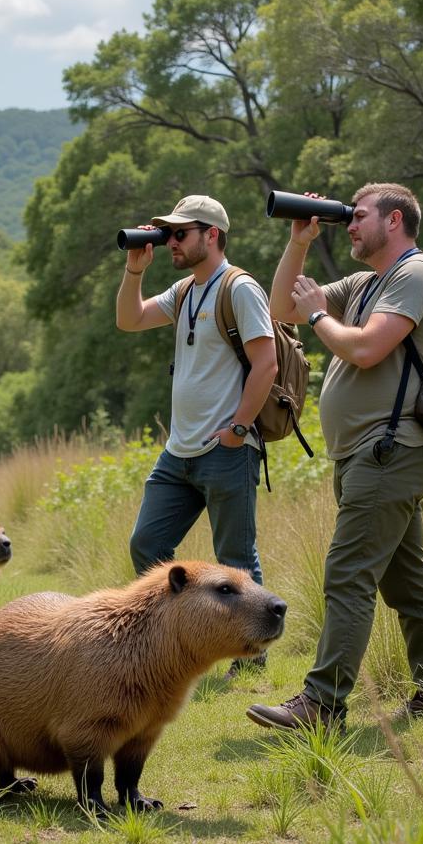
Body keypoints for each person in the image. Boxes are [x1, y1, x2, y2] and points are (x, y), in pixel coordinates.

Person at [247, 182, 423, 732]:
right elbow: (280, 309)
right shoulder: (366, 282)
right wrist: (299, 240)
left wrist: (320, 317)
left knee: (347, 576)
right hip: (367, 455)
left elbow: (365, 349)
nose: (351, 223)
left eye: (358, 216)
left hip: (392, 451)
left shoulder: (417, 274)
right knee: (407, 583)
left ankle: (322, 704)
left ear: (394, 221)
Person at [116, 194, 278, 677]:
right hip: (178, 453)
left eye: (180, 233)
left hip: (226, 450)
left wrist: (238, 428)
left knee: (235, 561)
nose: (171, 242)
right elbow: (130, 319)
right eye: (168, 233)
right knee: (147, 546)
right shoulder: (185, 290)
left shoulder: (239, 288)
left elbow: (266, 362)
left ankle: (251, 658)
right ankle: (175, 641)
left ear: (212, 235)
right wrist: (134, 270)